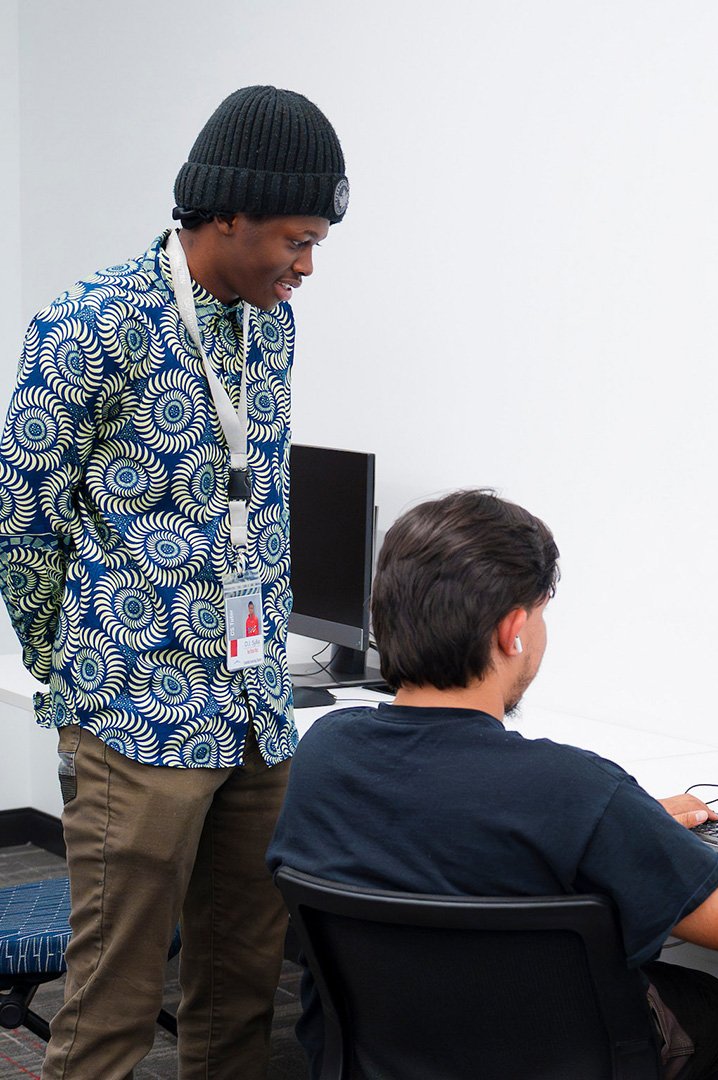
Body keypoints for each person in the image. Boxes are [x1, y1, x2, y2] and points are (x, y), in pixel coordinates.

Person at [267, 489, 718, 1079]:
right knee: (706, 1008)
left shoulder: (327, 751)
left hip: (380, 1060)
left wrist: (630, 826)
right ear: (513, 632)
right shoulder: (568, 789)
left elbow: (451, 821)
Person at [0, 86, 348, 1078]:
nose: (306, 265)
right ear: (225, 216)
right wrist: (70, 666)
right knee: (111, 1012)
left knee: (241, 996)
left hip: (254, 710)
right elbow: (21, 513)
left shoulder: (270, 327)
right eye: (296, 238)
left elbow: (254, 496)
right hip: (134, 715)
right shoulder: (88, 321)